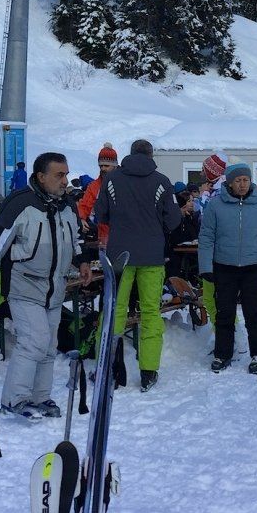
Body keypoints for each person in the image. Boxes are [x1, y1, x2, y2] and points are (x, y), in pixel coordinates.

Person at [0, 153, 83, 420]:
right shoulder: (19, 203)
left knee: (48, 345)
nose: (65, 181)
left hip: (55, 288)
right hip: (24, 285)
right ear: (41, 177)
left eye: (66, 174)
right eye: (59, 175)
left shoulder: (67, 205)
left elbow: (76, 237)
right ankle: (14, 399)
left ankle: (40, 397)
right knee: (33, 342)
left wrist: (82, 261)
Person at [92, 139, 182, 390]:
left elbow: (100, 214)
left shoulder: (112, 179)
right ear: (151, 156)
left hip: (119, 255)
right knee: (151, 312)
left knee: (114, 309)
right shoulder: (162, 181)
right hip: (152, 255)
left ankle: (106, 367)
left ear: (130, 154)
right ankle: (148, 371)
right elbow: (173, 219)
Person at [198, 161, 257, 374]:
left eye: (246, 180)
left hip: (254, 267)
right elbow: (206, 237)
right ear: (229, 183)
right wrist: (205, 266)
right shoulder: (216, 206)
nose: (242, 184)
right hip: (224, 267)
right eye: (238, 180)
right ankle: (222, 353)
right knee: (224, 312)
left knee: (253, 312)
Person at [76, 143, 120, 242]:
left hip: (124, 237)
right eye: (101, 166)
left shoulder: (125, 183)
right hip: (103, 239)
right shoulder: (94, 186)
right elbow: (84, 206)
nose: (103, 168)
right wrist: (81, 219)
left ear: (115, 165)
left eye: (106, 165)